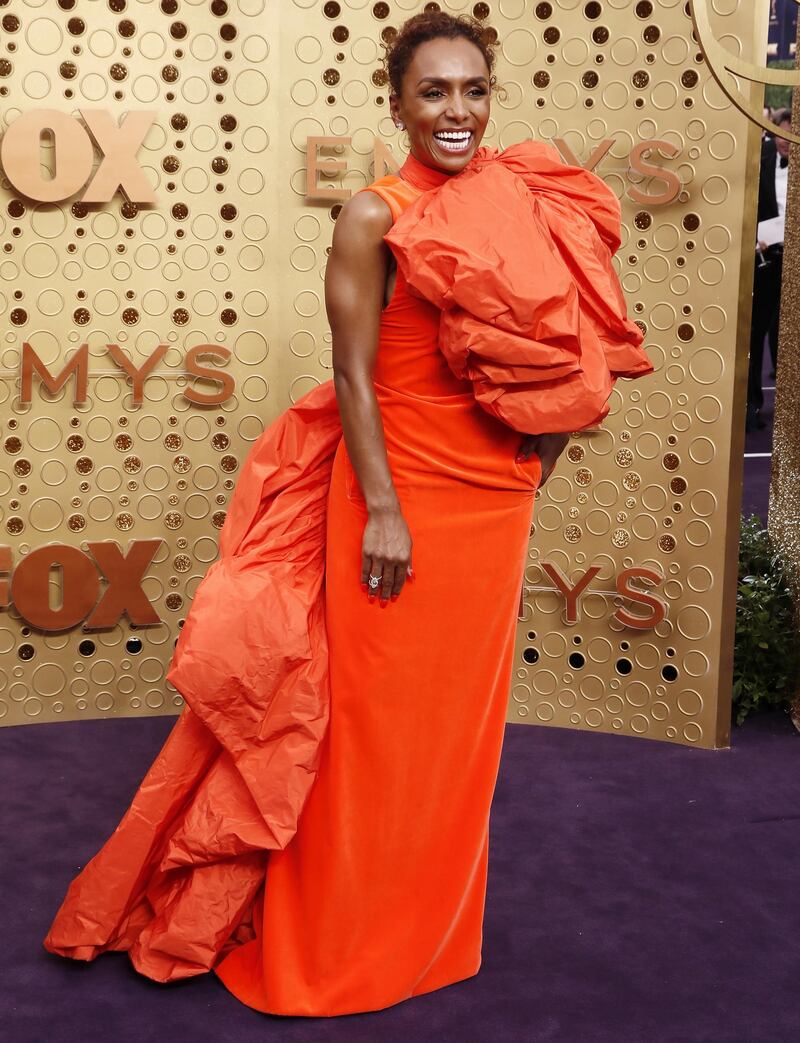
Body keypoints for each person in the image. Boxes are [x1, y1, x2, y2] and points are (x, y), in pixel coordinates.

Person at [43, 12, 651, 1017]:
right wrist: (380, 508)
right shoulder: (372, 214)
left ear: (487, 95)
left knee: (456, 731)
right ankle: (335, 942)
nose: (454, 111)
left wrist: (532, 459)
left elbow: (571, 349)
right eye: (432, 93)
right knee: (365, 730)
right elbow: (351, 377)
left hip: (492, 498)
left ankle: (429, 932)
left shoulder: (522, 195)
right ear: (397, 101)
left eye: (470, 91)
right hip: (396, 490)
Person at [748, 106, 792, 431]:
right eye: (781, 134)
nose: (785, 143)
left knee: (787, 335)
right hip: (765, 261)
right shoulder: (758, 158)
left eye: (791, 137)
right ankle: (751, 406)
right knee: (756, 333)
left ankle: (789, 414)